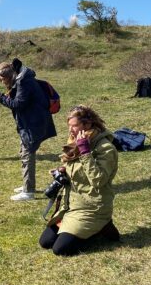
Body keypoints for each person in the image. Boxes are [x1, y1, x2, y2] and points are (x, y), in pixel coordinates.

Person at [39, 105, 120, 256]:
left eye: (75, 126)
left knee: (60, 249)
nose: (71, 130)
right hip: (71, 206)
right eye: (69, 126)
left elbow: (98, 180)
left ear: (87, 125)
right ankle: (90, 230)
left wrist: (85, 152)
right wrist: (61, 171)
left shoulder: (106, 148)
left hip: (93, 207)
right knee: (45, 242)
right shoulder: (76, 141)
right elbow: (74, 168)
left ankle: (101, 226)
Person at [0, 58, 56, 201]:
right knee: (25, 153)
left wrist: (0, 97)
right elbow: (17, 100)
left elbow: (18, 104)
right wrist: (1, 95)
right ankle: (27, 185)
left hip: (33, 124)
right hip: (30, 123)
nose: (1, 81)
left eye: (3, 78)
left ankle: (28, 192)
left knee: (27, 155)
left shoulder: (24, 82)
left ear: (10, 74)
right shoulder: (23, 80)